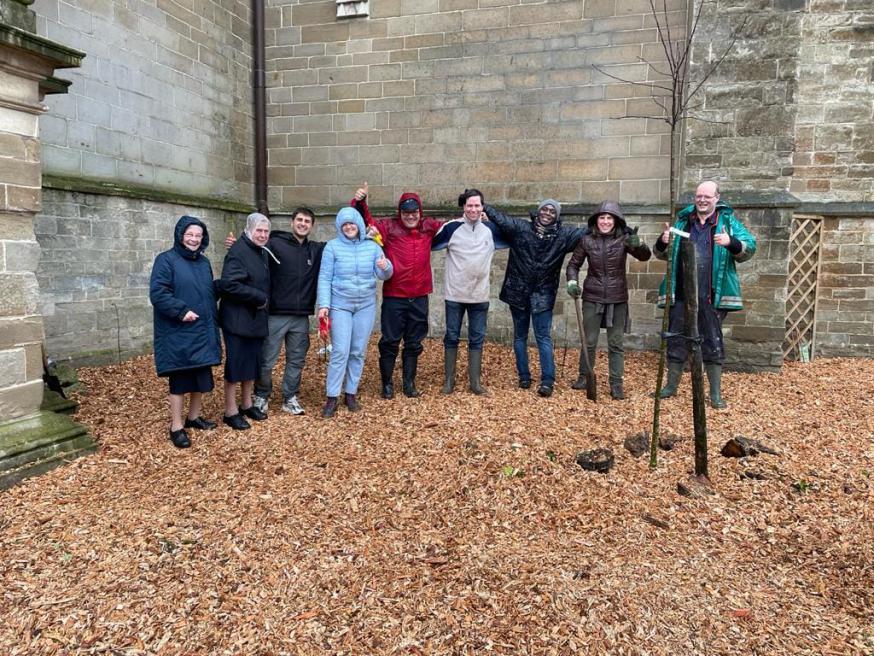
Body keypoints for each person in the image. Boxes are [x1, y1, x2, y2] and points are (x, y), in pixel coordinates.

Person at [653, 181, 757, 408]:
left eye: (707, 197)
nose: (702, 200)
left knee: (712, 341)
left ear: (717, 199)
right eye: (699, 196)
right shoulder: (683, 221)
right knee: (676, 338)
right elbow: (661, 255)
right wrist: (662, 242)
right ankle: (671, 386)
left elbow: (750, 247)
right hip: (681, 292)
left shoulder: (727, 222)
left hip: (711, 295)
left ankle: (715, 394)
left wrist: (731, 242)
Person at [484, 199, 588, 397]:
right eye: (544, 209)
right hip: (518, 291)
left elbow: (590, 230)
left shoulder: (563, 235)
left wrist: (618, 225)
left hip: (543, 294)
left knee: (543, 337)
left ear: (557, 216)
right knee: (520, 336)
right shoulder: (521, 228)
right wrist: (481, 202)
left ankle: (548, 380)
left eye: (552, 211)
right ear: (538, 211)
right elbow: (500, 219)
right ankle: (524, 376)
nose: (547, 213)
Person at [227, 207, 324, 417]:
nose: (303, 224)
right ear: (292, 222)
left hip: (301, 316)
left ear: (312, 226)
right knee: (267, 358)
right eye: (299, 220)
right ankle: (261, 395)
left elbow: (344, 245)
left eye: (307, 221)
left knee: (297, 358)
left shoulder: (316, 250)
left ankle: (290, 397)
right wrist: (237, 245)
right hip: (275, 314)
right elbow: (253, 247)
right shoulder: (274, 243)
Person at [351, 182, 444, 399]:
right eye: (406, 212)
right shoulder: (389, 228)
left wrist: (479, 219)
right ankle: (387, 383)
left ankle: (409, 383)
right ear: (399, 212)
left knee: (414, 341)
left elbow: (452, 228)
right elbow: (367, 223)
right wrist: (360, 201)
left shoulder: (427, 227)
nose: (410, 216)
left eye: (414, 212)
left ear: (420, 212)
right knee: (390, 340)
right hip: (395, 296)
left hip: (419, 295)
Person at [565, 201, 651, 400]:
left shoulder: (624, 239)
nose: (605, 221)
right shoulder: (587, 241)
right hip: (592, 295)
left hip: (617, 296)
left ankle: (616, 383)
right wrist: (571, 282)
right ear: (596, 220)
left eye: (609, 218)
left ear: (616, 221)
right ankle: (584, 377)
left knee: (616, 343)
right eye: (602, 218)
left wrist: (640, 245)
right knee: (590, 341)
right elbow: (573, 265)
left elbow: (644, 256)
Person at [149, 216, 222, 448]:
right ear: (181, 235)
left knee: (200, 375)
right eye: (189, 234)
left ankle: (193, 417)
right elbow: (158, 293)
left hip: (202, 329)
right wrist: (181, 311)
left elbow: (206, 292)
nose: (193, 239)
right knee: (180, 380)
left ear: (203, 238)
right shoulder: (166, 260)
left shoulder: (203, 262)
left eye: (198, 235)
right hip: (178, 329)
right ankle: (176, 426)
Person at [317, 207, 393, 417]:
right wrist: (324, 305)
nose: (349, 227)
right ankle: (332, 396)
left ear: (359, 224)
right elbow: (324, 278)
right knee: (341, 350)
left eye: (352, 223)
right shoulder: (332, 247)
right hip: (340, 305)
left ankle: (350, 392)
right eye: (344, 225)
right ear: (340, 228)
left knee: (358, 350)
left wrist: (386, 266)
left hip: (365, 305)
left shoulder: (372, 246)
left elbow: (384, 274)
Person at [431, 189, 506, 395]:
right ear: (463, 206)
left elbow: (515, 236)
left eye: (477, 205)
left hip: (479, 295)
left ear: (483, 207)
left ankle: (475, 382)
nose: (473, 209)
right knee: (452, 336)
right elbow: (426, 244)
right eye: (469, 205)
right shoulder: (451, 228)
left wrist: (494, 219)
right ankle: (449, 381)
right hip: (455, 294)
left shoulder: (492, 230)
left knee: (477, 337)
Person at [216, 212, 275, 430]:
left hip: (255, 318)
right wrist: (258, 297)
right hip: (238, 319)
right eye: (258, 231)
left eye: (266, 231)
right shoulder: (238, 252)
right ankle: (230, 411)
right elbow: (229, 284)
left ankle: (247, 403)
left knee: (252, 363)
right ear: (248, 230)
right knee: (236, 364)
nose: (262, 235)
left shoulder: (261, 251)